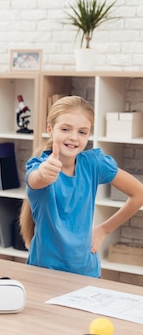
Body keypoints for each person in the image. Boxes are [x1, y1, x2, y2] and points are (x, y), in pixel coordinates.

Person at [20, 95, 143, 277]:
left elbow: (138, 193)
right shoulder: (39, 166)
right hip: (44, 271)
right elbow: (36, 179)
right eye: (65, 129)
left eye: (82, 132)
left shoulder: (94, 163)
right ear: (50, 130)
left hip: (87, 271)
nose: (74, 137)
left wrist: (104, 229)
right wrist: (45, 173)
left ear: (89, 135)